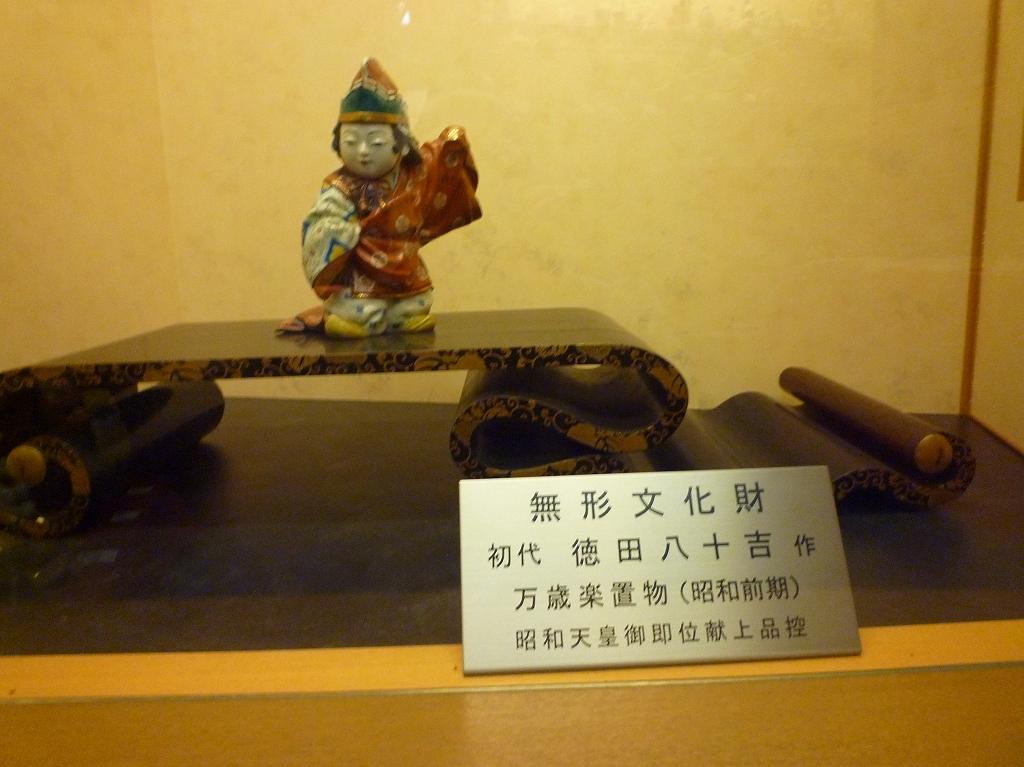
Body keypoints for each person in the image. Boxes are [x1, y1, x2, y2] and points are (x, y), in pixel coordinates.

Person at [284, 58, 481, 337]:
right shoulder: (341, 186)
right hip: (363, 270)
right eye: (351, 142)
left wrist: (453, 141)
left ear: (402, 145)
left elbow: (440, 162)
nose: (363, 151)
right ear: (338, 143)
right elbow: (323, 220)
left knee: (416, 303)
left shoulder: (414, 175)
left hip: (405, 265)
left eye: (376, 142)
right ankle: (351, 320)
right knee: (360, 307)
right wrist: (344, 230)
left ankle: (402, 317)